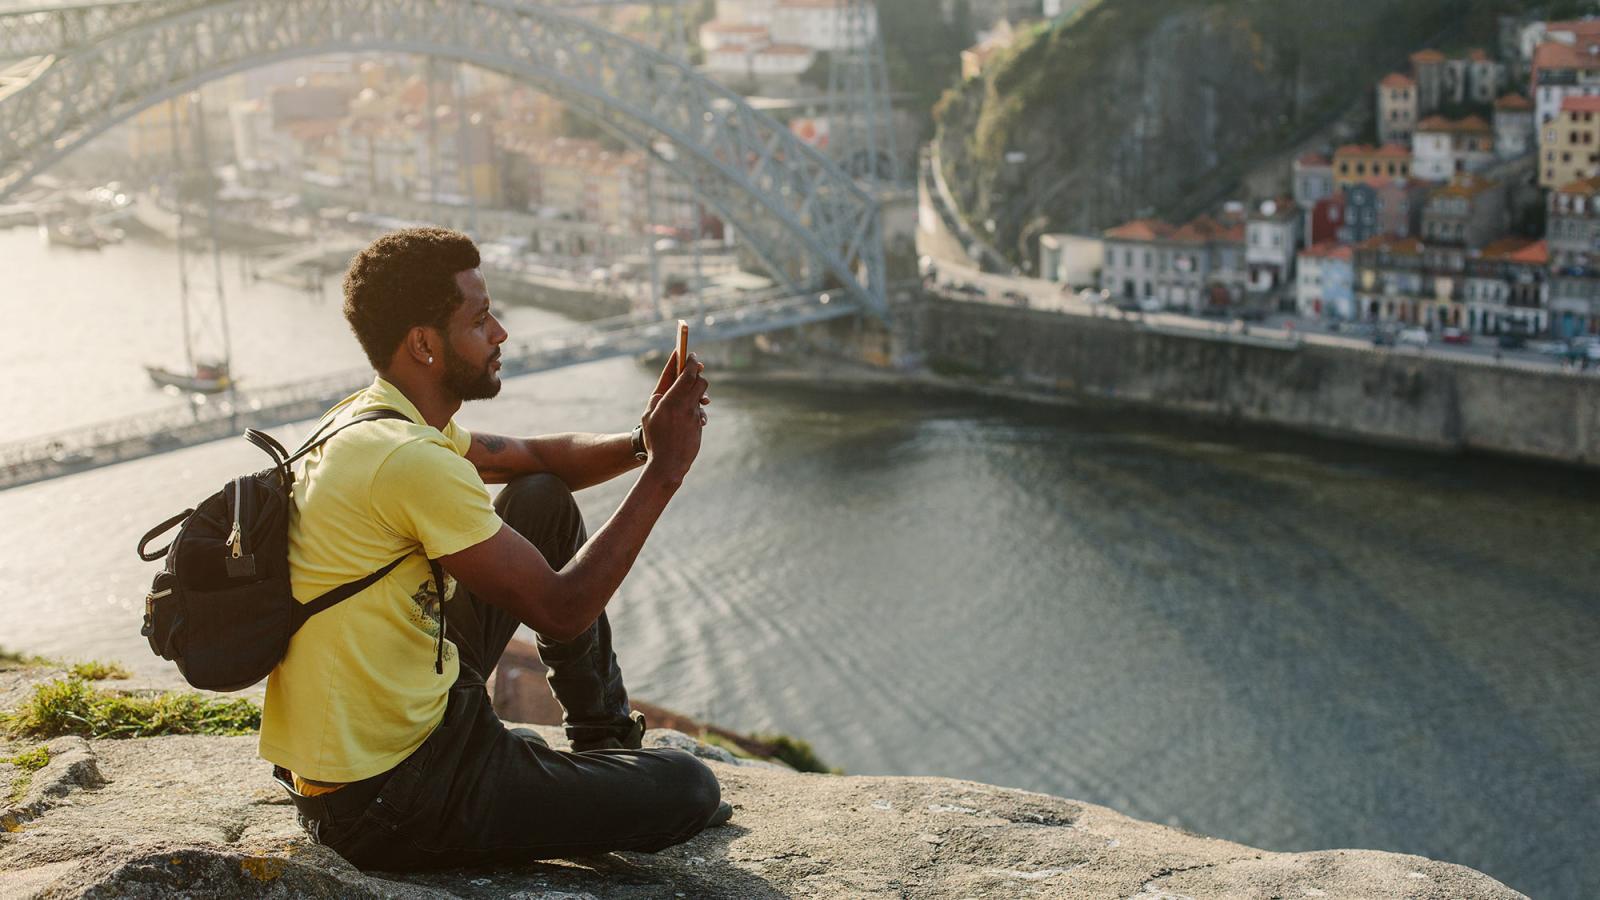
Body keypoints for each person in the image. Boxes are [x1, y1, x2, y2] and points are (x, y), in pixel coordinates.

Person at [261, 227, 727, 871]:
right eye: (480, 320)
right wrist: (667, 471)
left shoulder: (373, 420)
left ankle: (605, 740)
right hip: (394, 796)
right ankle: (608, 765)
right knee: (688, 789)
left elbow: (537, 458)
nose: (501, 332)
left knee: (539, 495)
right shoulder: (408, 461)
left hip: (390, 742)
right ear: (424, 344)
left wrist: (643, 440)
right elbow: (562, 611)